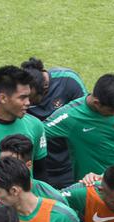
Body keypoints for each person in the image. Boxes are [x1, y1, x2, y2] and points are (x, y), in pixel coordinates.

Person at [44, 74, 114, 188]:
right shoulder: (70, 116)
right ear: (97, 103)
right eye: (112, 109)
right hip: (90, 188)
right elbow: (37, 132)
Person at [20, 58, 86, 188]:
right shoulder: (22, 89)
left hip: (69, 166)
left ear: (45, 90)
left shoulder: (68, 81)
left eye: (31, 100)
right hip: (38, 166)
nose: (26, 103)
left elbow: (85, 114)